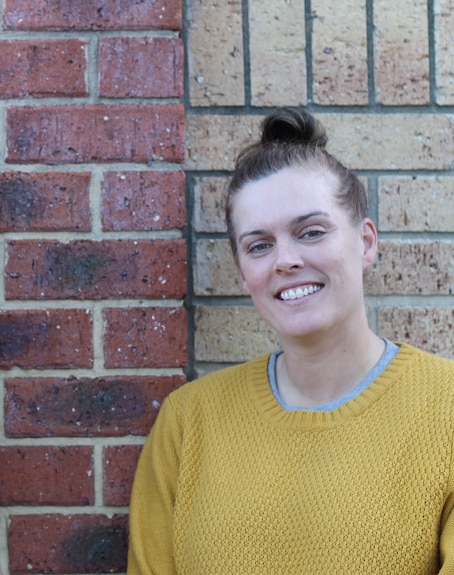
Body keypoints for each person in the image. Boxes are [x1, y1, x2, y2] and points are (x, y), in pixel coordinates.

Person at [127, 107, 454, 574]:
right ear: (244, 273)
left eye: (311, 232)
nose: (286, 260)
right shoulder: (187, 423)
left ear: (365, 242)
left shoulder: (447, 408)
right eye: (259, 245)